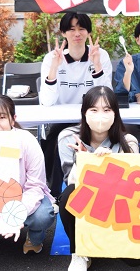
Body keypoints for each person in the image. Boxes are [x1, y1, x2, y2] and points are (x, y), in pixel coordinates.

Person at [58, 86, 139, 271]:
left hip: (118, 202)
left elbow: (132, 190)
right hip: (85, 196)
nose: (100, 116)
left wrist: (111, 163)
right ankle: (79, 252)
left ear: (115, 114)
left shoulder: (129, 141)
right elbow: (70, 182)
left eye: (107, 110)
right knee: (69, 195)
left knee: (135, 261)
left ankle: (108, 241)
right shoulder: (68, 138)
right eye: (94, 110)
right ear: (84, 113)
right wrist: (85, 161)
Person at [0, 94, 55, 257]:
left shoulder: (27, 141)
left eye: (2, 117)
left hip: (24, 196)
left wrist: (17, 213)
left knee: (43, 215)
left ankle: (35, 238)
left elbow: (35, 185)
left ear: (13, 119)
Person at [39, 12, 113, 197]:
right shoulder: (52, 58)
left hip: (93, 119)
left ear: (88, 32)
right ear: (63, 33)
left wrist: (97, 66)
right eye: (71, 29)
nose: (77, 33)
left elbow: (107, 96)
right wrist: (54, 68)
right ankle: (54, 193)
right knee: (54, 140)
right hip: (61, 120)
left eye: (81, 29)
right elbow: (46, 101)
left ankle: (106, 189)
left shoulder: (100, 55)